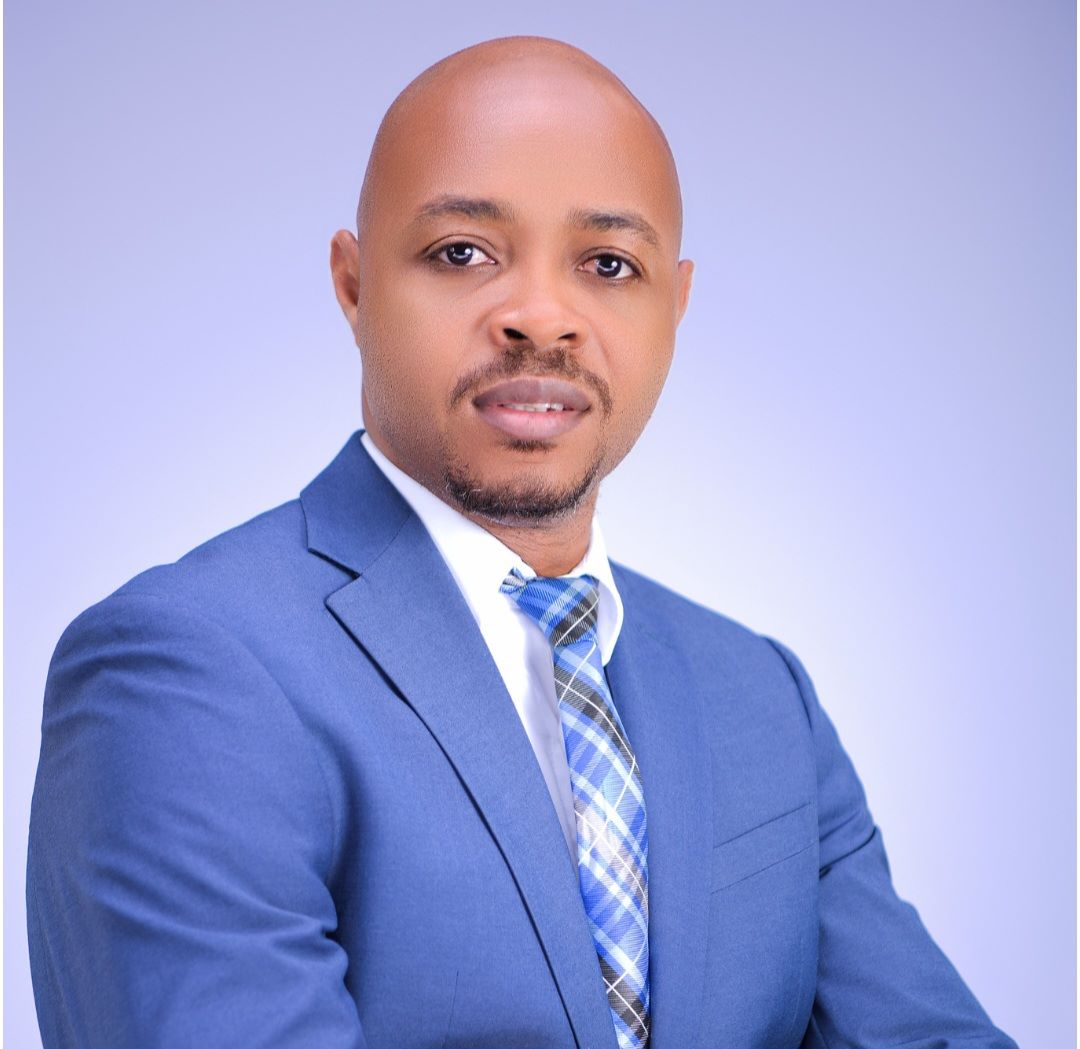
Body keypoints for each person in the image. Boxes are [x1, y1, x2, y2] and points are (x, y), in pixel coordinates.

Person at [27, 35, 1017, 1049]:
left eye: (609, 264)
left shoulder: (761, 695)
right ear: (353, 285)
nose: (542, 317)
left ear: (675, 307)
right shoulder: (187, 670)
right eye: (462, 252)